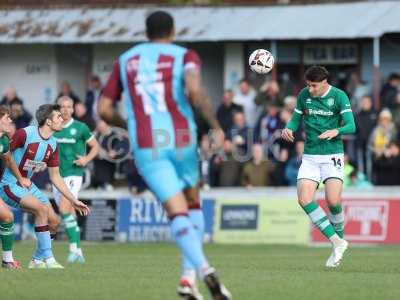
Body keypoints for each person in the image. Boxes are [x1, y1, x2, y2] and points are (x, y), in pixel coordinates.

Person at [98, 10, 231, 300]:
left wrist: (130, 125)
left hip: (147, 142)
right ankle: (187, 279)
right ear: (173, 31)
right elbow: (195, 92)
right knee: (193, 203)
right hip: (182, 137)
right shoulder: (185, 55)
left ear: (146, 33)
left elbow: (104, 110)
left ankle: (203, 271)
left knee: (176, 210)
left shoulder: (126, 60)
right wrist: (217, 126)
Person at [281, 65, 355, 268]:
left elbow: (351, 125)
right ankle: (337, 242)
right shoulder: (304, 95)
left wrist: (336, 131)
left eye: (314, 85)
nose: (310, 89)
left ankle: (338, 244)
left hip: (332, 155)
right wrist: (288, 128)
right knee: (304, 199)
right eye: (308, 85)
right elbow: (295, 119)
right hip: (311, 156)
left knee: (332, 201)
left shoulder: (339, 96)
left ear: (324, 82)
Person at [0, 104, 90, 269]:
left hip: (28, 184)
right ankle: (49, 259)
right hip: (10, 184)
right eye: (58, 117)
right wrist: (18, 177)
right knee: (41, 210)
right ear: (48, 122)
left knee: (55, 222)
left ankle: (37, 260)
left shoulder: (53, 144)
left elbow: (56, 177)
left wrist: (73, 200)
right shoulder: (25, 134)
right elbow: (6, 156)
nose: (62, 119)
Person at [53, 96, 99, 263]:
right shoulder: (53, 127)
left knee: (65, 208)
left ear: (73, 109)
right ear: (57, 109)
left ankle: (73, 249)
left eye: (68, 107)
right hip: (56, 176)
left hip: (74, 174)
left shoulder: (80, 127)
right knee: (69, 213)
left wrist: (86, 159)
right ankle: (78, 252)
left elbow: (96, 146)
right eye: (62, 107)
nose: (65, 110)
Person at [0, 106, 32, 269]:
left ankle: (7, 260)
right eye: (6, 118)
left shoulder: (4, 140)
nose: (10, 121)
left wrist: (20, 178)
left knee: (7, 217)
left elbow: (9, 161)